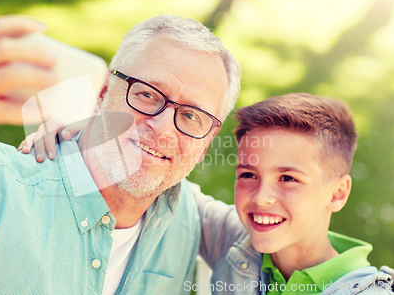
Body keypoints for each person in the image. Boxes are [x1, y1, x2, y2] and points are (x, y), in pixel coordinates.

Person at [0, 14, 242, 294]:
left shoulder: (187, 218)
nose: (164, 127)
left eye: (191, 116)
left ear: (204, 147)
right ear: (103, 92)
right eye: (148, 95)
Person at [25, 93, 394, 295]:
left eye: (288, 179)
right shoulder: (240, 243)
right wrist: (102, 136)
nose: (261, 197)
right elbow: (156, 177)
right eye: (248, 174)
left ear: (338, 193)